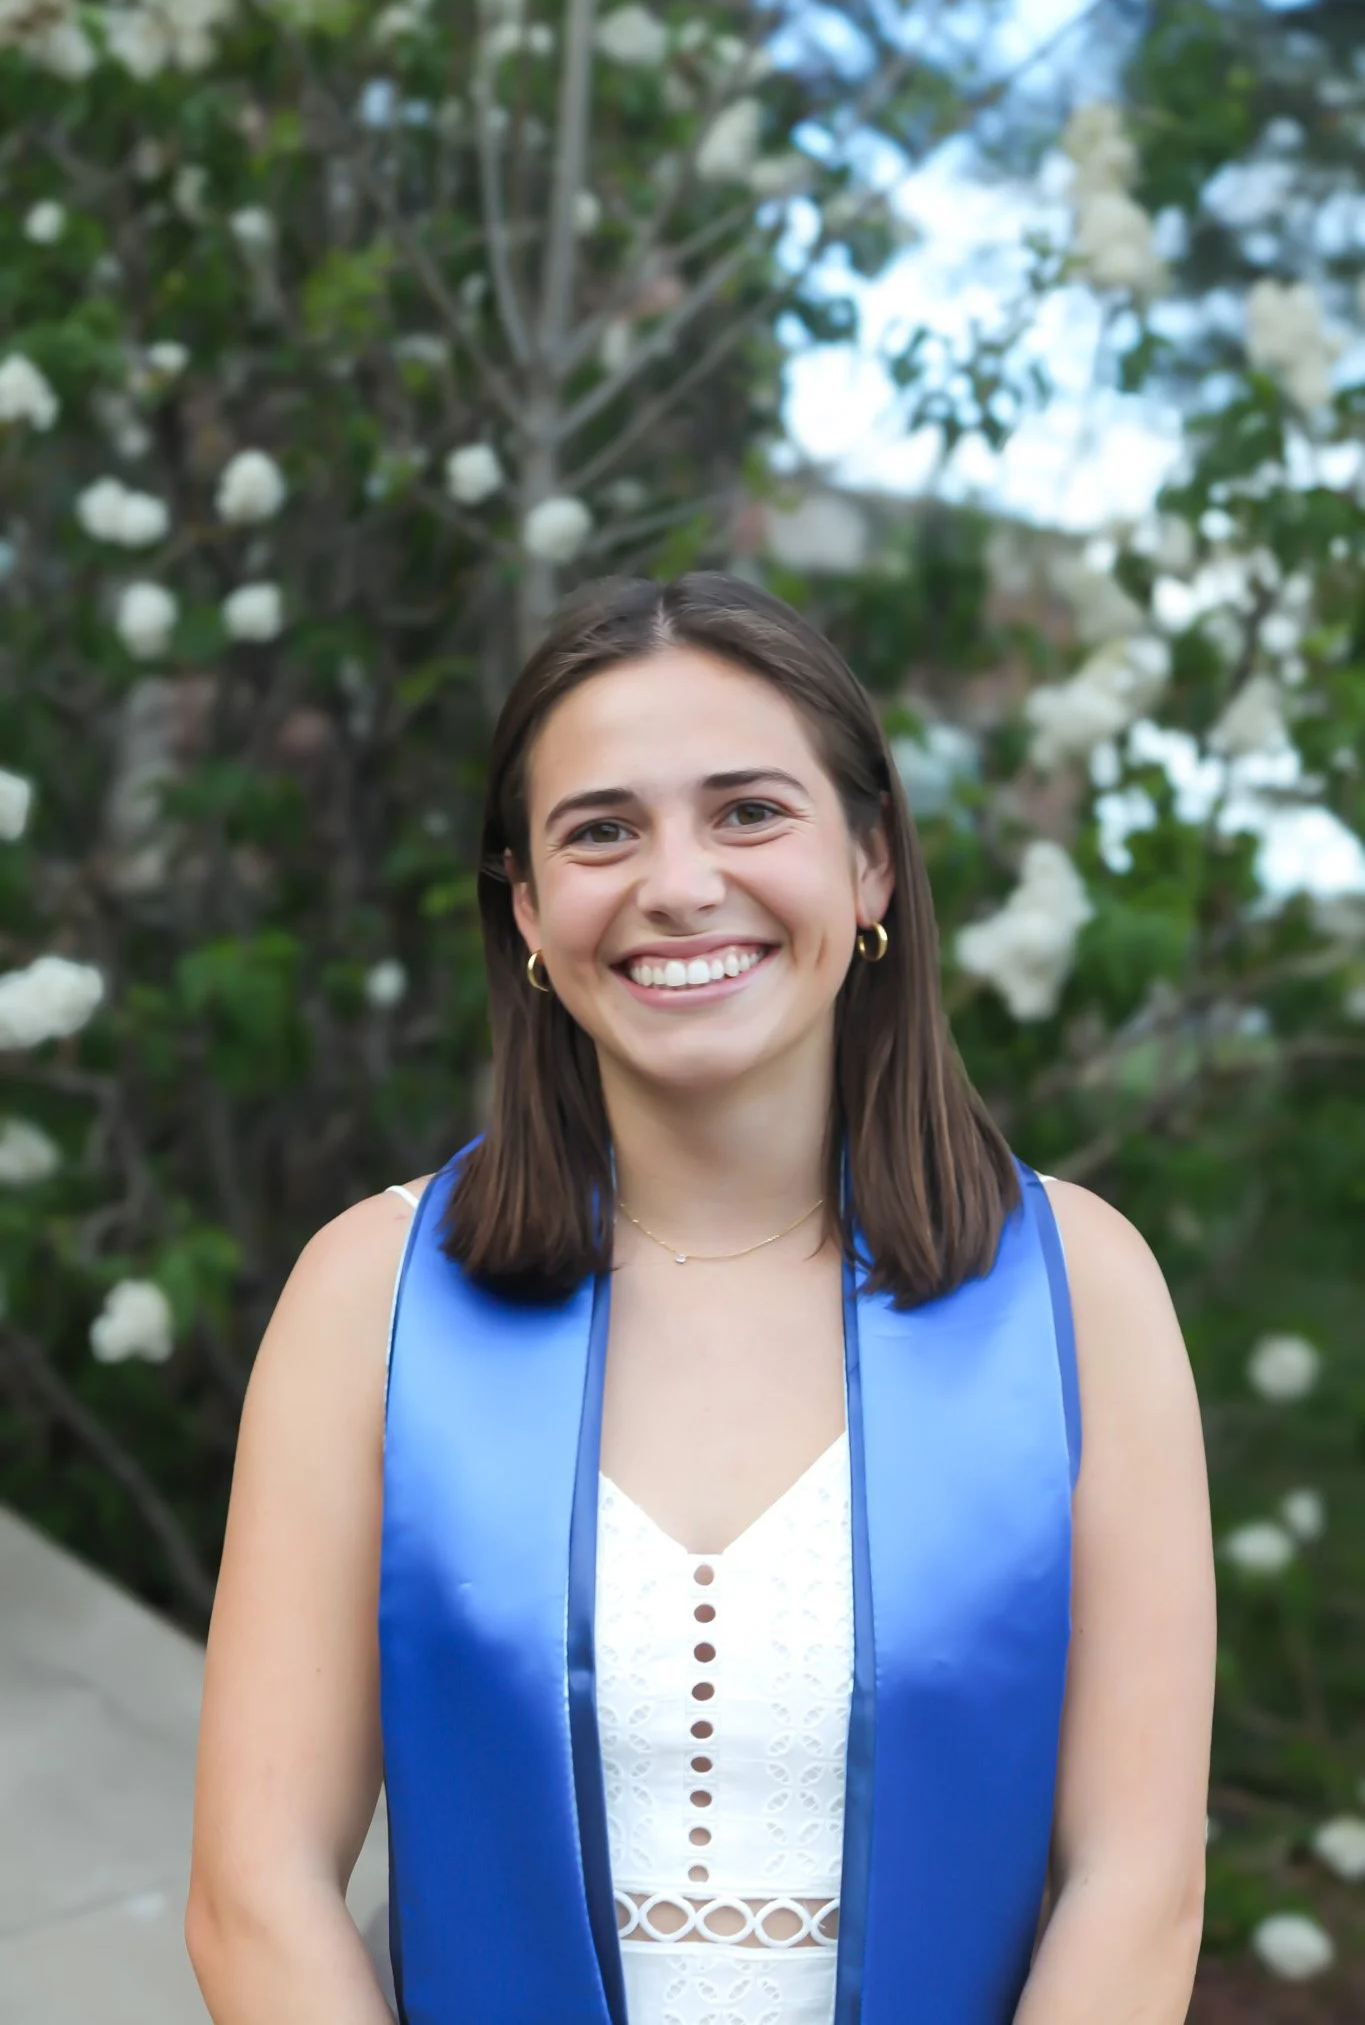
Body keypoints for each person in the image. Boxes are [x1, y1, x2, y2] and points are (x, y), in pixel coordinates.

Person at [185, 571, 1216, 2025]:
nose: (679, 884)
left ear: (869, 865)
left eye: (749, 812)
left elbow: (1138, 1882)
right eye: (602, 830)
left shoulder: (1075, 1295)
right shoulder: (378, 1298)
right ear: (530, 910)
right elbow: (257, 1889)